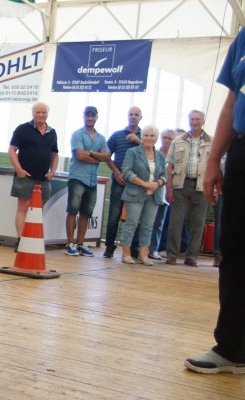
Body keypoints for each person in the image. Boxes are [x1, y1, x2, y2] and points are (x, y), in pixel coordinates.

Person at [184, 26, 245, 374]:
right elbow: (232, 102)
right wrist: (213, 161)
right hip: (242, 152)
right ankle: (232, 349)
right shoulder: (243, 39)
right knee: (234, 250)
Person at [165, 110, 211, 267]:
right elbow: (169, 165)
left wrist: (214, 189)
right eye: (192, 119)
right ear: (188, 121)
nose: (195, 121)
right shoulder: (178, 141)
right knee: (175, 221)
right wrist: (168, 188)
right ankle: (172, 254)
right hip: (181, 184)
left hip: (202, 186)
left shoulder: (211, 141)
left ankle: (191, 256)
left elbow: (215, 166)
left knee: (197, 223)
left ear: (203, 121)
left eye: (198, 119)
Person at [8, 102, 58, 239]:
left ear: (48, 114)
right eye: (38, 112)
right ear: (32, 113)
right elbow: (12, 150)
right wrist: (19, 170)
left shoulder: (52, 132)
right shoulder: (22, 129)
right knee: (23, 207)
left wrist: (52, 171)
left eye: (44, 112)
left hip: (44, 179)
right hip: (25, 177)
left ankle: (31, 240)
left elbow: (55, 154)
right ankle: (21, 240)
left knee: (37, 210)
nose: (41, 115)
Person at [65, 106, 110, 257]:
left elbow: (107, 157)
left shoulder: (101, 138)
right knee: (72, 210)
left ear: (97, 117)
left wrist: (90, 153)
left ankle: (80, 243)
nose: (90, 118)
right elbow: (79, 156)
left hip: (92, 180)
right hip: (77, 177)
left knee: (86, 213)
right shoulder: (77, 134)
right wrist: (97, 157)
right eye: (87, 116)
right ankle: (70, 243)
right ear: (83, 117)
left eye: (93, 116)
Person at [118, 125, 167, 265]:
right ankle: (126, 254)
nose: (148, 138)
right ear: (141, 137)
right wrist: (144, 184)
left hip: (154, 195)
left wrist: (158, 183)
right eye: (146, 135)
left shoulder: (161, 156)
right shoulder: (132, 152)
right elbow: (126, 172)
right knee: (131, 223)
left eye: (152, 136)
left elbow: (164, 174)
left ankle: (143, 255)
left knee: (148, 225)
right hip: (134, 193)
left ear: (156, 139)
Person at [102, 107, 143, 259]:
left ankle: (133, 249)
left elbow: (152, 154)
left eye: (136, 115)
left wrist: (139, 141)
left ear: (141, 117)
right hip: (119, 181)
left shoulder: (145, 137)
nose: (133, 117)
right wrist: (116, 172)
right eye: (131, 114)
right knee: (114, 215)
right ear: (127, 117)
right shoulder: (117, 135)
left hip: (137, 183)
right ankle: (109, 247)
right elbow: (106, 155)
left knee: (135, 217)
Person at [147, 129, 176, 260]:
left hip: (165, 193)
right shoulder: (154, 154)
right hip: (151, 190)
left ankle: (154, 249)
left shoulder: (175, 156)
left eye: (170, 138)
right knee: (147, 222)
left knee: (159, 223)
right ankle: (142, 248)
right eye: (164, 137)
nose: (166, 140)